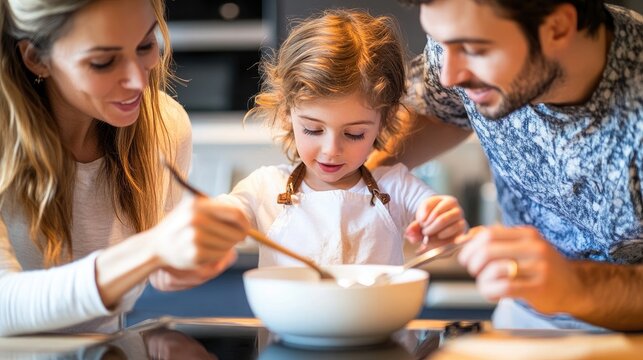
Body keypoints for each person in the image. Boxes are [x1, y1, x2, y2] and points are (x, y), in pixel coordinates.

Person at [370, 0, 642, 330]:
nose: (450, 75)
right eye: (440, 43)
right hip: (519, 317)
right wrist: (341, 186)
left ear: (558, 28)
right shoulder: (459, 56)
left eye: (474, 49)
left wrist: (572, 284)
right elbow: (437, 110)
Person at [0, 0, 250, 336]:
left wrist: (169, 265)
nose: (137, 81)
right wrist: (149, 251)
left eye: (146, 45)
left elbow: (144, 274)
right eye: (103, 62)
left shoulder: (166, 126)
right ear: (35, 58)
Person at [216, 9, 466, 268]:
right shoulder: (264, 188)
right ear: (287, 113)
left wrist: (441, 218)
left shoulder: (396, 187)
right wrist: (211, 221)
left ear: (385, 120)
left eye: (354, 134)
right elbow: (224, 216)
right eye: (313, 129)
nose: (331, 150)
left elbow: (436, 213)